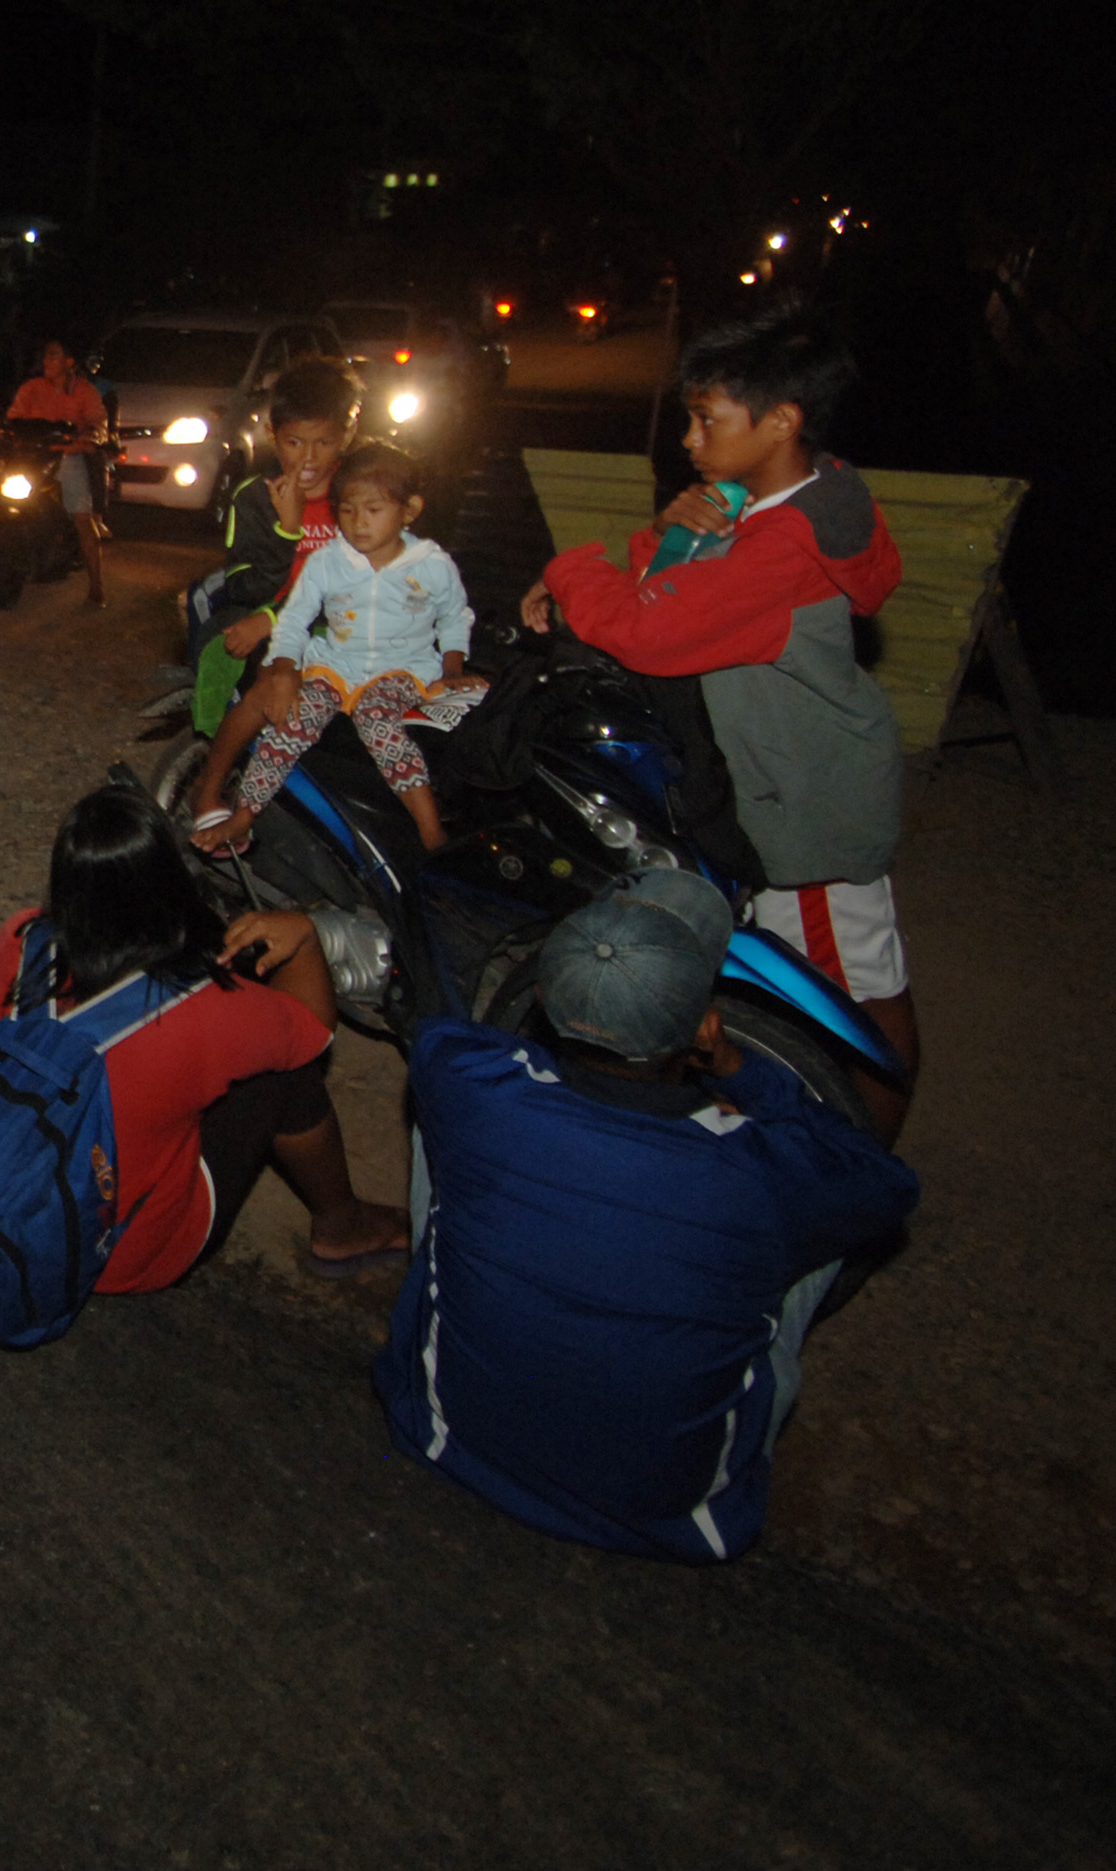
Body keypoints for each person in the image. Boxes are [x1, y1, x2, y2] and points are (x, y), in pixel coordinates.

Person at [370, 868, 917, 1562]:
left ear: (542, 997)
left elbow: (448, 1038)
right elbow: (884, 1187)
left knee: (443, 1131)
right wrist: (738, 1067)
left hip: (448, 1441)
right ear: (701, 1027)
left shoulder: (469, 1081)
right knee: (826, 1212)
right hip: (673, 1519)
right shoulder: (758, 1170)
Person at [520, 297, 918, 1142]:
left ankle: (863, 1166)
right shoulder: (795, 498)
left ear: (781, 421)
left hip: (812, 803)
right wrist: (660, 534)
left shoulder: (783, 546)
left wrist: (569, 567)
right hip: (776, 781)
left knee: (850, 997)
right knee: (798, 979)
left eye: (708, 419)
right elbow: (675, 585)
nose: (690, 439)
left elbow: (648, 629)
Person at [0, 776, 410, 1287]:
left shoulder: (20, 941)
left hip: (5, 1201)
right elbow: (311, 1033)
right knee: (287, 1079)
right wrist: (306, 937)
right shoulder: (197, 1011)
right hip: (114, 1254)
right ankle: (343, 1226)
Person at [196, 443, 477, 854]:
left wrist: (452, 670)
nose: (359, 523)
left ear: (410, 510)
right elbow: (294, 620)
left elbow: (454, 617)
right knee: (289, 724)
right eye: (347, 510)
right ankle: (244, 815)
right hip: (336, 667)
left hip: (403, 669)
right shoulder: (328, 562)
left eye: (373, 510)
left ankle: (431, 831)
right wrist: (285, 669)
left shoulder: (431, 564)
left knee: (375, 717)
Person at [172, 357, 361, 819]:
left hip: (343, 617)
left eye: (323, 442)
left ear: (347, 435)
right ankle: (212, 776)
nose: (309, 458)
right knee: (257, 670)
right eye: (295, 442)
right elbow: (245, 585)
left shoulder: (359, 495)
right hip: (271, 615)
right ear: (273, 435)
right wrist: (287, 532)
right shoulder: (255, 497)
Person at [0, 339, 109, 606]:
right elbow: (13, 418)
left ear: (69, 362)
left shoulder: (85, 391)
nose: (47, 361)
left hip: (65, 456)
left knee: (82, 517)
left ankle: (96, 586)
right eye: (46, 356)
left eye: (54, 356)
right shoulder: (32, 388)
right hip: (29, 457)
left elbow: (98, 423)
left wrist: (91, 436)